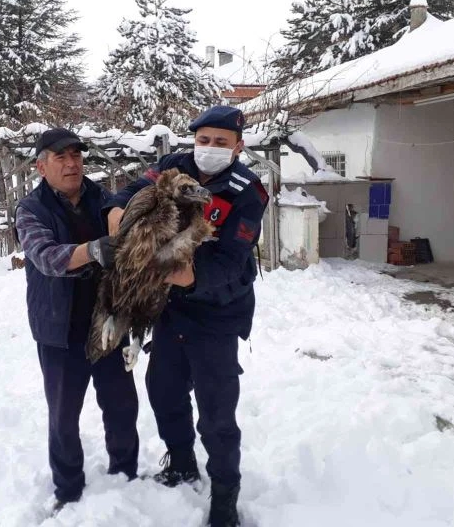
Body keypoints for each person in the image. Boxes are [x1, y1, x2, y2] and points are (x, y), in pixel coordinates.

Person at [104, 106, 269, 527]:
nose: (209, 148)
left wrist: (186, 276)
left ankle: (225, 496)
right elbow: (131, 193)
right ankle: (181, 462)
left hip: (216, 311)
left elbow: (233, 261)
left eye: (220, 142)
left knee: (216, 412)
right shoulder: (173, 166)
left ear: (238, 146)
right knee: (163, 391)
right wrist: (119, 211)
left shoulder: (248, 191)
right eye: (203, 140)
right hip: (170, 310)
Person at [15, 127, 140, 513]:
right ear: (41, 166)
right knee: (64, 413)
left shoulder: (101, 198)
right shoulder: (31, 209)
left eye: (76, 156)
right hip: (59, 327)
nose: (72, 164)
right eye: (61, 158)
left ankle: (125, 472)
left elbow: (130, 229)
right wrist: (97, 249)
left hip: (106, 320)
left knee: (121, 403)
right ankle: (68, 488)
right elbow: (46, 257)